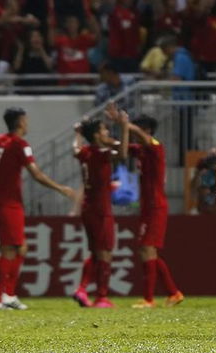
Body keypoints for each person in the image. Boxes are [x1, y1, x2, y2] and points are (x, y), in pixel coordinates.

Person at [0, 107, 74, 310]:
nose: (27, 123)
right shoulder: (20, 144)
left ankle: (9, 294)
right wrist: (61, 188)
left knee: (21, 247)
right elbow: (36, 174)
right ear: (21, 122)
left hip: (0, 202)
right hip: (10, 205)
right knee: (9, 249)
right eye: (26, 120)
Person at [109, 107, 184, 308]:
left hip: (156, 206)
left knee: (146, 249)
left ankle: (149, 299)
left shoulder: (156, 146)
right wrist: (118, 127)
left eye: (138, 130)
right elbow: (121, 149)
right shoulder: (142, 149)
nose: (134, 134)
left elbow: (142, 138)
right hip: (148, 206)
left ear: (147, 130)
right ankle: (173, 293)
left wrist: (127, 125)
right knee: (148, 251)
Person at [72, 117, 120, 308]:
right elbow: (123, 153)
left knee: (95, 252)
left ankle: (82, 290)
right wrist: (123, 131)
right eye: (103, 130)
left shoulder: (85, 152)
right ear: (95, 134)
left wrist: (77, 133)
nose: (107, 132)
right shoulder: (101, 153)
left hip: (88, 207)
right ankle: (101, 297)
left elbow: (75, 149)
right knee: (105, 252)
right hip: (101, 210)